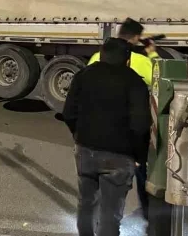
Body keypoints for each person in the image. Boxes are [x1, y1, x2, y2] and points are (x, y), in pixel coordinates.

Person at [63, 38, 151, 236]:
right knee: (110, 213)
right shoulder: (135, 82)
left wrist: (79, 136)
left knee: (86, 204)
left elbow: (68, 113)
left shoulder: (83, 75)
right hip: (119, 156)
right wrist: (139, 157)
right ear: (127, 59)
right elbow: (140, 126)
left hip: (86, 150)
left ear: (101, 55)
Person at [88, 18, 158, 219]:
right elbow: (163, 78)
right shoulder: (142, 62)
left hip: (102, 128)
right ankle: (148, 216)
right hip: (131, 132)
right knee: (142, 172)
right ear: (136, 38)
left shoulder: (95, 57)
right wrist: (152, 51)